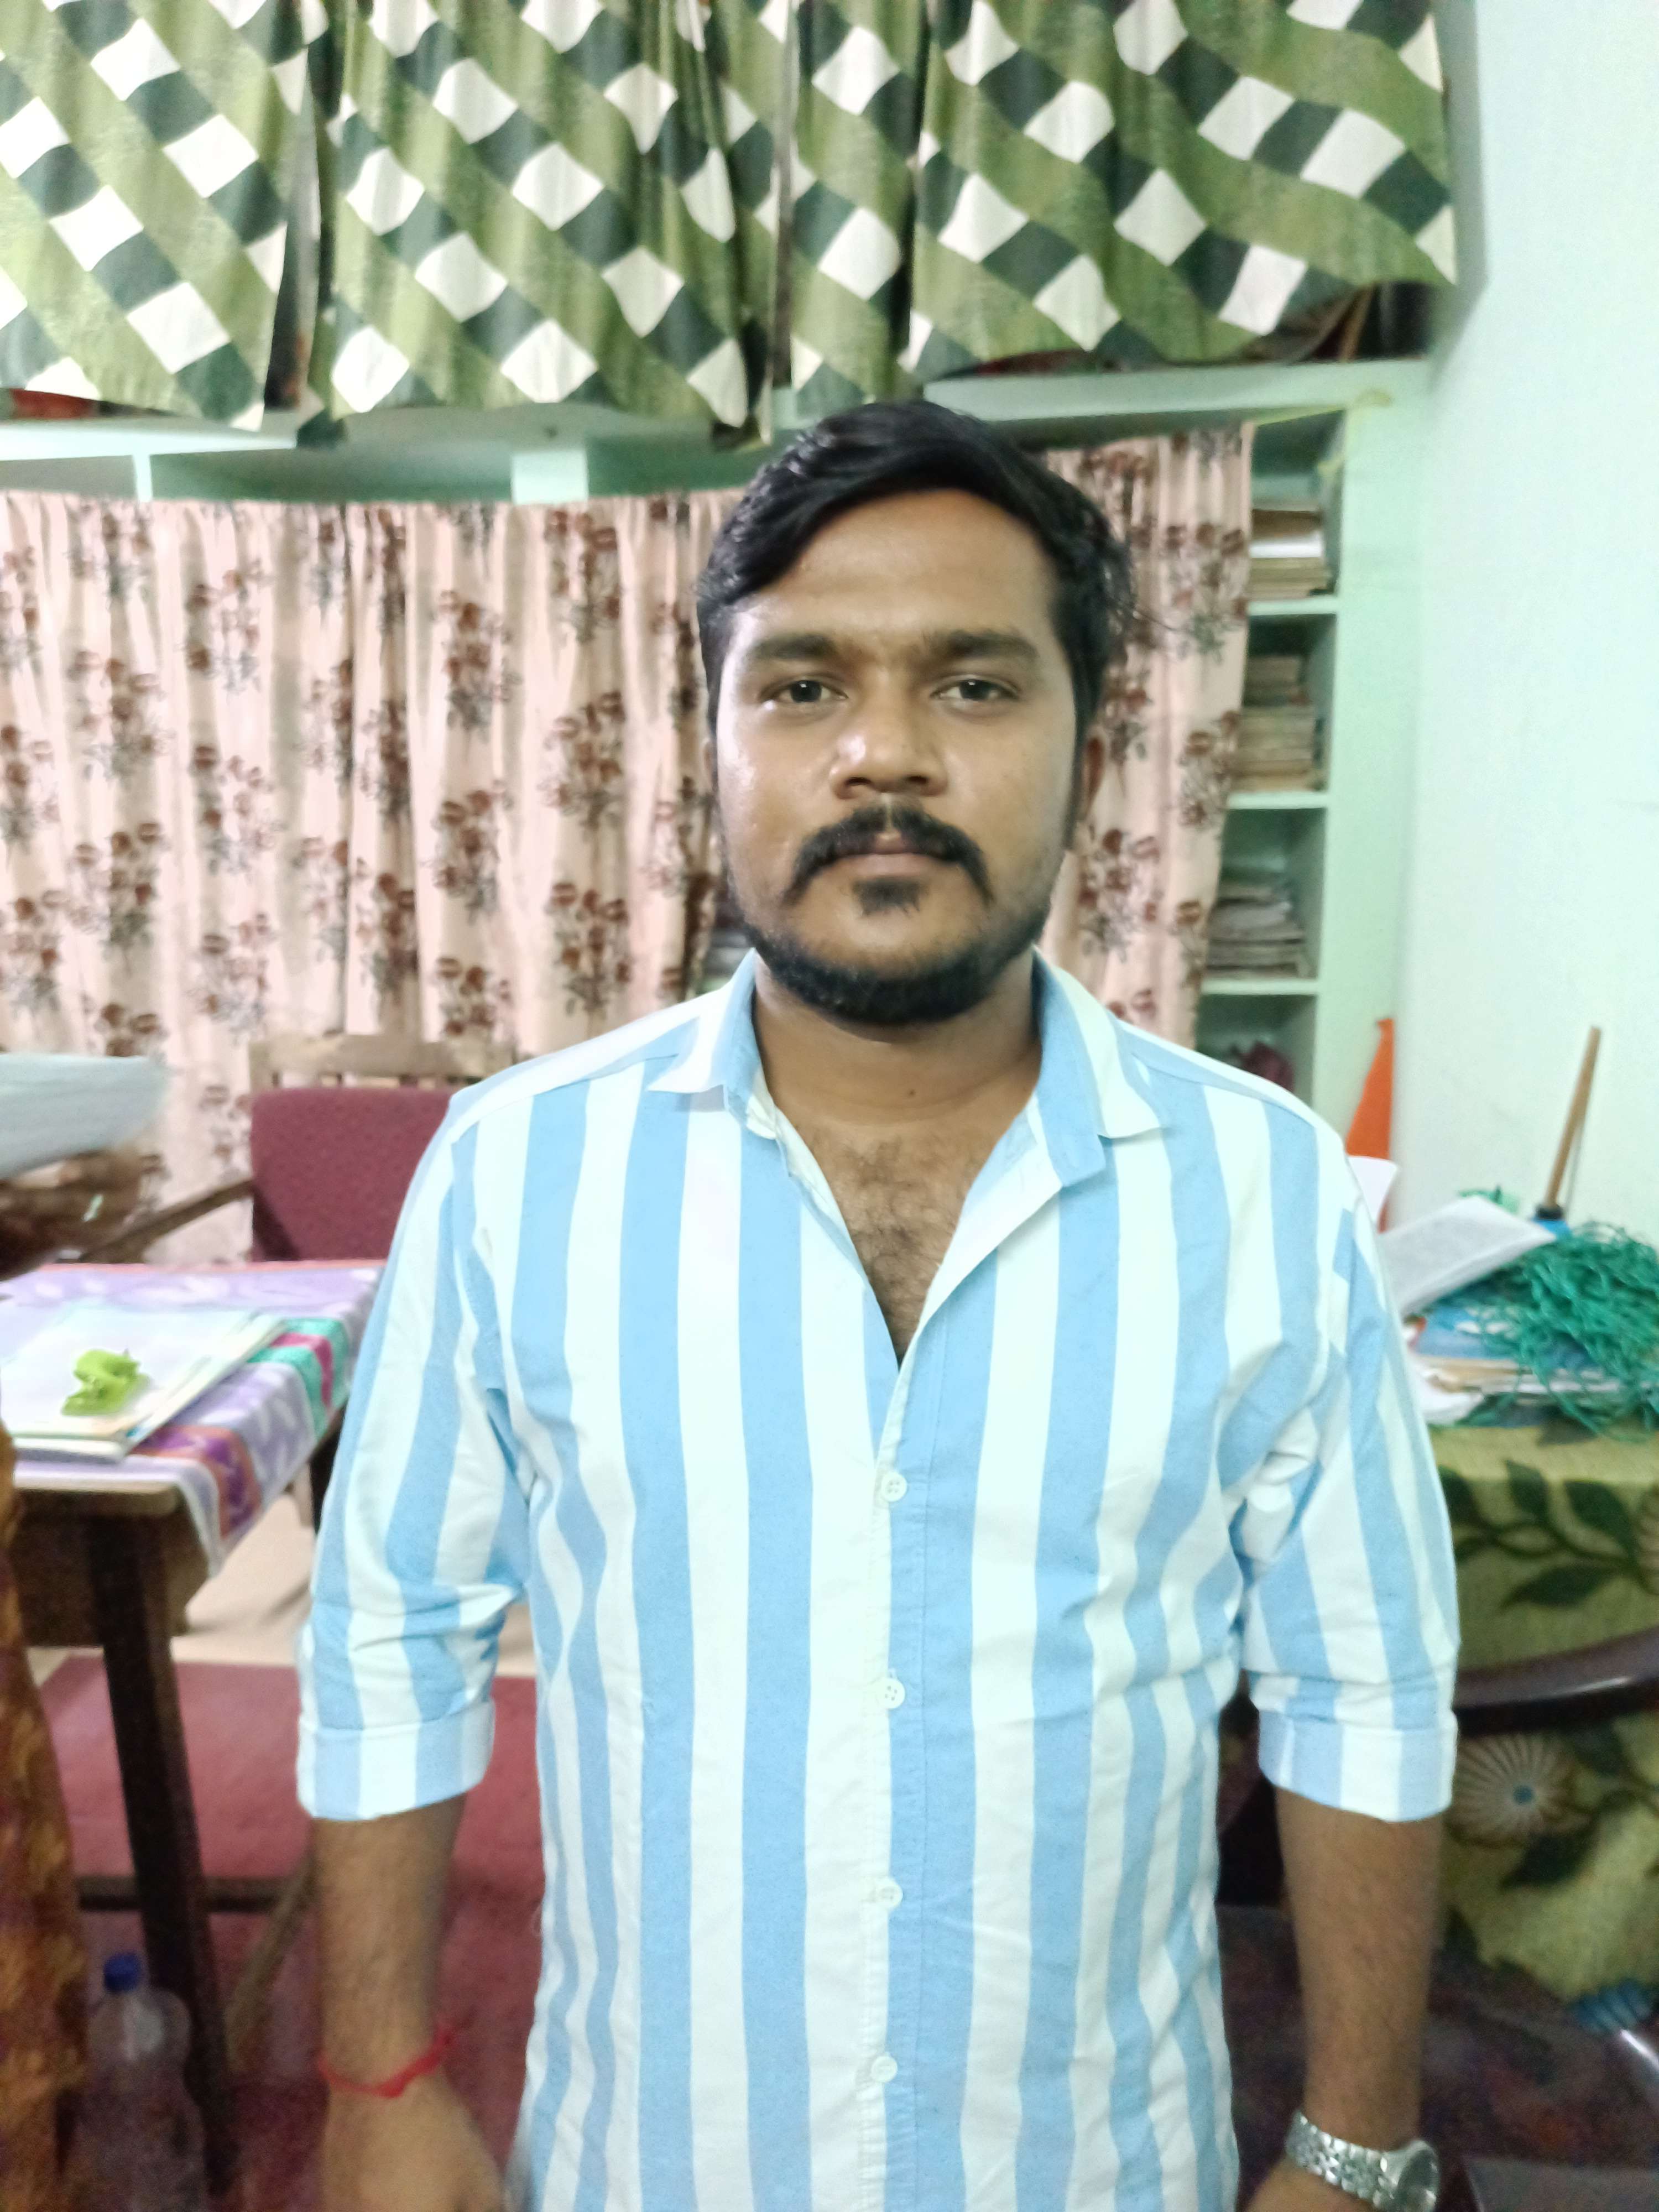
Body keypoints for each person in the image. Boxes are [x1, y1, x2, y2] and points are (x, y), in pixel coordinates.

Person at [300, 400, 1458, 2212]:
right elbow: (393, 1635)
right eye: (803, 687)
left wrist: (1358, 2144)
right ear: (713, 741)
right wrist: (379, 2073)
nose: (885, 758)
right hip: (652, 2163)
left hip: (1097, 2170)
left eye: (976, 686)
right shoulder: (518, 1174)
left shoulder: (1267, 1194)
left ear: (1093, 748)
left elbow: (1362, 1688)